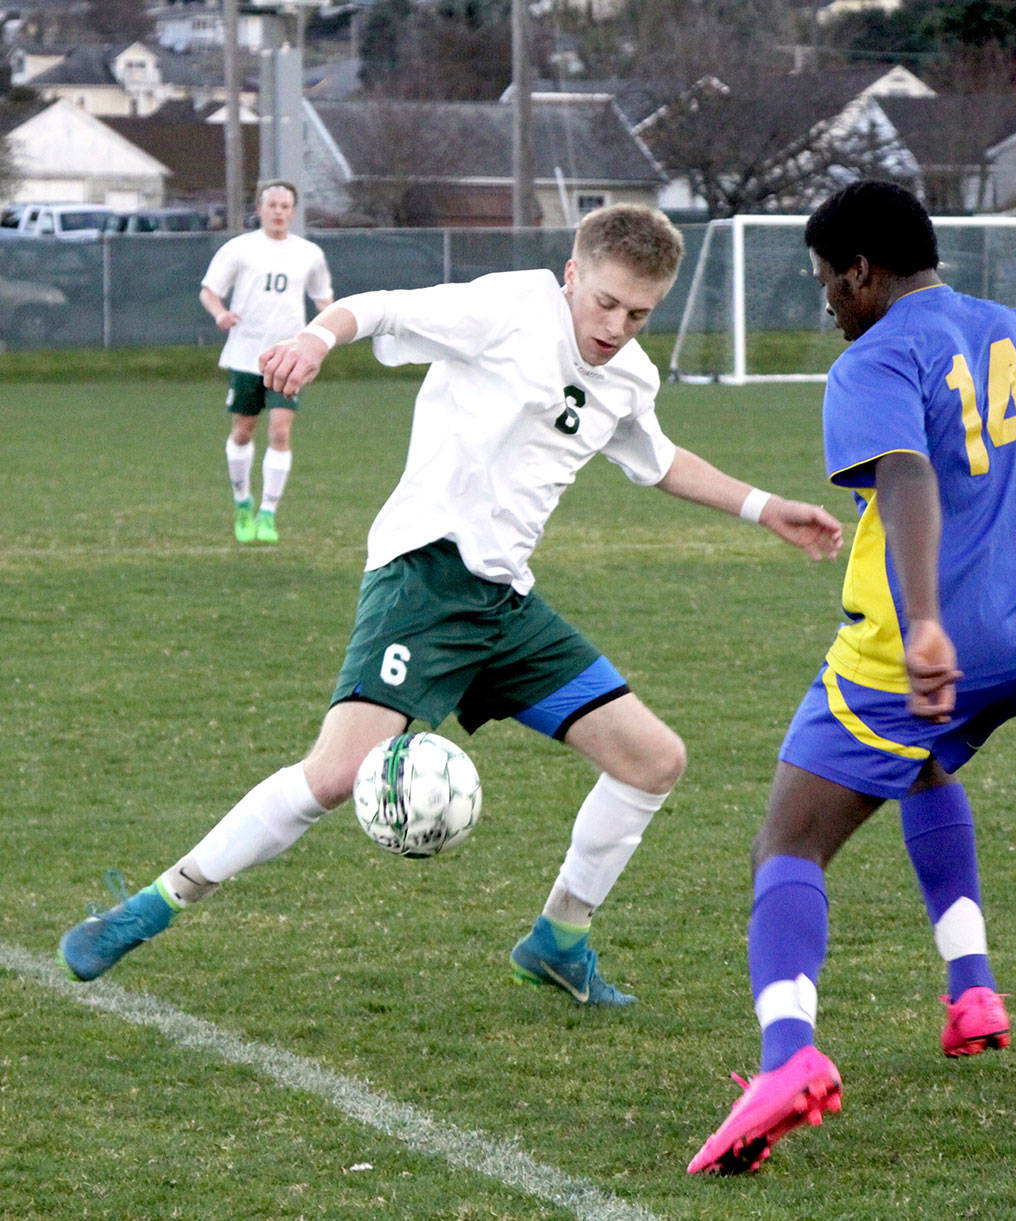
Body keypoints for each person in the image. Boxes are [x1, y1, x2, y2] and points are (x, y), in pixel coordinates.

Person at [58, 204, 844, 1008]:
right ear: (574, 275)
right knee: (333, 775)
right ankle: (147, 909)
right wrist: (314, 338)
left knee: (653, 759)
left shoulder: (630, 374)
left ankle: (558, 940)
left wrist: (764, 507)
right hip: (426, 581)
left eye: (639, 313)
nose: (616, 325)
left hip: (504, 606)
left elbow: (658, 459)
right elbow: (384, 308)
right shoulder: (507, 308)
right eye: (605, 302)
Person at [687, 181, 1016, 1175]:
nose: (826, 301)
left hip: (928, 643)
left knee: (786, 844)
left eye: (827, 282)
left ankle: (786, 1059)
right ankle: (971, 992)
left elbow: (905, 474)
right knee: (920, 763)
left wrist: (919, 626)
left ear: (862, 274)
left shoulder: (876, 357)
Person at [199, 179, 334, 544]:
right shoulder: (240, 249)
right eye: (271, 205)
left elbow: (324, 301)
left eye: (285, 206)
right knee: (243, 431)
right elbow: (209, 290)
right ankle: (243, 503)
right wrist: (220, 314)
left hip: (288, 355)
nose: (278, 211)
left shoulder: (309, 253)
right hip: (246, 356)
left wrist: (333, 331)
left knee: (280, 431)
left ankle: (268, 512)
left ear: (293, 211)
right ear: (259, 209)